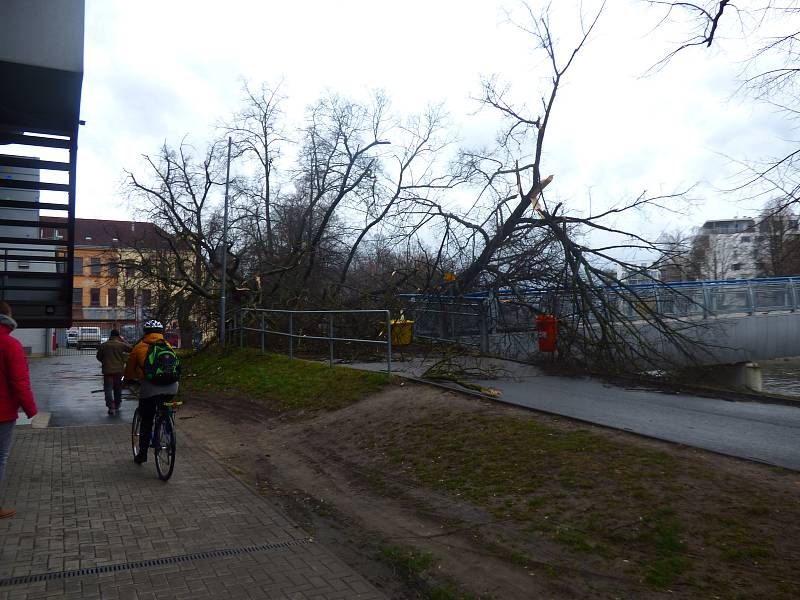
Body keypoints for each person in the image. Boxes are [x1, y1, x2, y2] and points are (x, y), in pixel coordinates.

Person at [0, 301, 38, 519]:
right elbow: (19, 381)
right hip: (3, 412)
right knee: (1, 457)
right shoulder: (10, 344)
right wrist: (32, 411)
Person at [124, 320, 178, 464]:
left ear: (145, 332)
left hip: (150, 387)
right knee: (164, 409)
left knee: (147, 419)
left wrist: (128, 380)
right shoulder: (167, 346)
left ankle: (142, 454)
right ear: (161, 332)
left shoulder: (139, 347)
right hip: (172, 386)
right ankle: (168, 432)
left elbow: (129, 370)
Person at [96, 329, 133, 416]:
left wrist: (105, 362)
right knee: (118, 388)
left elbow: (98, 357)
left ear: (110, 335)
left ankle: (111, 406)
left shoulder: (104, 345)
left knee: (108, 389)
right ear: (118, 336)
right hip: (118, 371)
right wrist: (123, 340)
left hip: (107, 371)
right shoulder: (121, 345)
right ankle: (117, 404)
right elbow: (132, 349)